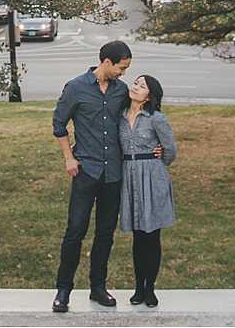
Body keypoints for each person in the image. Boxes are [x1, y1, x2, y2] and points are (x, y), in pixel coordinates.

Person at [50, 39, 132, 313]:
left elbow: (139, 114)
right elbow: (59, 124)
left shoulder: (122, 91)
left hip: (114, 174)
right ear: (106, 62)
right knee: (75, 231)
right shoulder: (75, 88)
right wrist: (68, 157)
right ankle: (63, 289)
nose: (124, 73)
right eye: (121, 68)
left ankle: (98, 287)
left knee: (105, 233)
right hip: (86, 171)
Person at [117, 74, 177, 307]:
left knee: (151, 236)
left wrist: (159, 157)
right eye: (135, 83)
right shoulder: (120, 117)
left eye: (142, 86)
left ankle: (150, 289)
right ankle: (138, 287)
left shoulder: (156, 119)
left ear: (149, 95)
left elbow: (171, 150)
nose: (136, 87)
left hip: (152, 178)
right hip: (129, 177)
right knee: (138, 237)